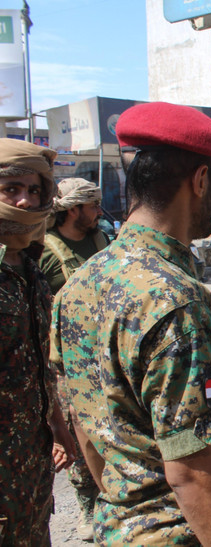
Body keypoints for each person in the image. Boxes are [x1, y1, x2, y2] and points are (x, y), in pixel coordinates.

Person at [50, 102, 211, 545]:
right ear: (200, 180)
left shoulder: (81, 282)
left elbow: (86, 426)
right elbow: (191, 473)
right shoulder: (174, 302)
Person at [0, 138, 75, 546]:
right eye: (11, 189)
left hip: (29, 469)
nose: (25, 202)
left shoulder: (30, 269)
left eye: (33, 190)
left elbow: (39, 366)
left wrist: (58, 427)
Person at [38, 177, 108, 540]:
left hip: (106, 355)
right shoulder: (46, 250)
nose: (98, 212)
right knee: (80, 440)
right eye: (92, 206)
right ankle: (88, 505)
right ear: (72, 209)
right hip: (67, 363)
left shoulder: (101, 240)